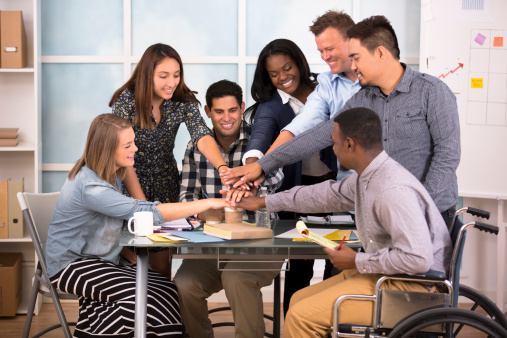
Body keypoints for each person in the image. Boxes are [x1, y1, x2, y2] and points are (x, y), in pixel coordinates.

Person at [229, 107, 453, 337]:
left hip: (414, 290)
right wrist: (262, 202)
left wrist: (357, 260)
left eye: (334, 143)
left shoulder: (391, 189)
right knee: (298, 300)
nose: (332, 149)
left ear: (349, 144)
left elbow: (418, 259)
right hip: (391, 277)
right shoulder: (368, 176)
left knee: (301, 316)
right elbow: (323, 196)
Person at [222, 15, 461, 230]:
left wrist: (420, 206)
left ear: (379, 53)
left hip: (432, 215)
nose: (353, 67)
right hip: (380, 214)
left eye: (356, 58)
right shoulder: (363, 99)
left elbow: (447, 156)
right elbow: (318, 135)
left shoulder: (432, 92)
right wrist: (263, 165)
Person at [46, 114, 229, 338]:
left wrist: (120, 248)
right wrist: (208, 202)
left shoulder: (110, 173)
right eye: (128, 145)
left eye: (133, 141)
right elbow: (145, 211)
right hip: (71, 265)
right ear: (107, 149)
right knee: (144, 298)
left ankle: (91, 331)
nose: (136, 148)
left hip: (103, 259)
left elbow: (99, 225)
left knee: (166, 288)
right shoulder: (90, 185)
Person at [109, 43, 230, 277]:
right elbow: (123, 159)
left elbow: (201, 135)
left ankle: (160, 312)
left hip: (165, 184)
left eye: (176, 75)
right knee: (133, 263)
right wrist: (142, 206)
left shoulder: (182, 101)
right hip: (128, 183)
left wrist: (222, 167)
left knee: (161, 266)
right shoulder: (126, 101)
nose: (172, 82)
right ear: (147, 75)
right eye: (163, 76)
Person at [175, 80, 283, 338]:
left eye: (233, 110)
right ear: (207, 111)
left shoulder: (260, 141)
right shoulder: (195, 147)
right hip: (214, 243)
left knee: (236, 277)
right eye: (219, 111)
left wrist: (254, 191)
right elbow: (185, 198)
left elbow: (278, 182)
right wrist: (210, 211)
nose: (227, 118)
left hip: (261, 242)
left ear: (242, 108)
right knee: (183, 284)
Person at [241, 38, 340, 316]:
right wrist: (253, 164)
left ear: (299, 63)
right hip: (296, 190)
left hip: (337, 186)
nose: (283, 77)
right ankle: (294, 325)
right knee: (300, 264)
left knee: (339, 258)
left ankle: (328, 323)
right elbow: (260, 135)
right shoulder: (271, 105)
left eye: (287, 68)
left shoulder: (327, 89)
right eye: (274, 74)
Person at [222, 10, 360, 186]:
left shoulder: (378, 80)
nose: (325, 57)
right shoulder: (327, 85)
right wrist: (258, 166)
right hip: (337, 187)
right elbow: (296, 128)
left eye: (330, 49)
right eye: (321, 51)